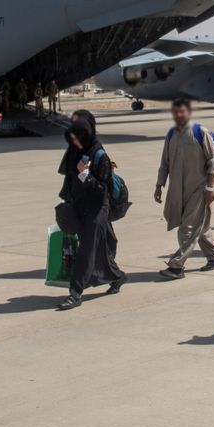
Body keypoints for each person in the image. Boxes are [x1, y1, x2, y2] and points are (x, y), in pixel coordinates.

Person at [55, 117, 126, 310]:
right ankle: (117, 276)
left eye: (77, 138)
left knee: (86, 251)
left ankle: (75, 293)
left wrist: (85, 175)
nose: (74, 143)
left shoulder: (100, 155)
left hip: (97, 210)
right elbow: (69, 182)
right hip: (78, 208)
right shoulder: (74, 153)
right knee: (99, 250)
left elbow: (102, 190)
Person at [154, 98, 214, 279]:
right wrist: (159, 185)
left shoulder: (200, 132)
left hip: (199, 190)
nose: (179, 115)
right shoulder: (170, 134)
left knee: (188, 227)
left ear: (188, 112)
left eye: (182, 111)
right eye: (175, 112)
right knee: (202, 227)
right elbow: (164, 163)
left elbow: (213, 163)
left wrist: (210, 189)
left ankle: (177, 266)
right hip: (177, 191)